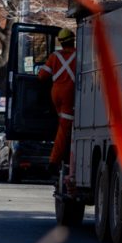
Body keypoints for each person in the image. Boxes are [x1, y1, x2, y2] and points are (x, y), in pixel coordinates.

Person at [38, 28, 76, 174]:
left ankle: (63, 153)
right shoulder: (80, 54)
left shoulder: (54, 56)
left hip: (56, 93)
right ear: (72, 40)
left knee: (63, 125)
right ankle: (54, 161)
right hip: (69, 94)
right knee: (64, 128)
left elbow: (42, 76)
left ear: (60, 41)